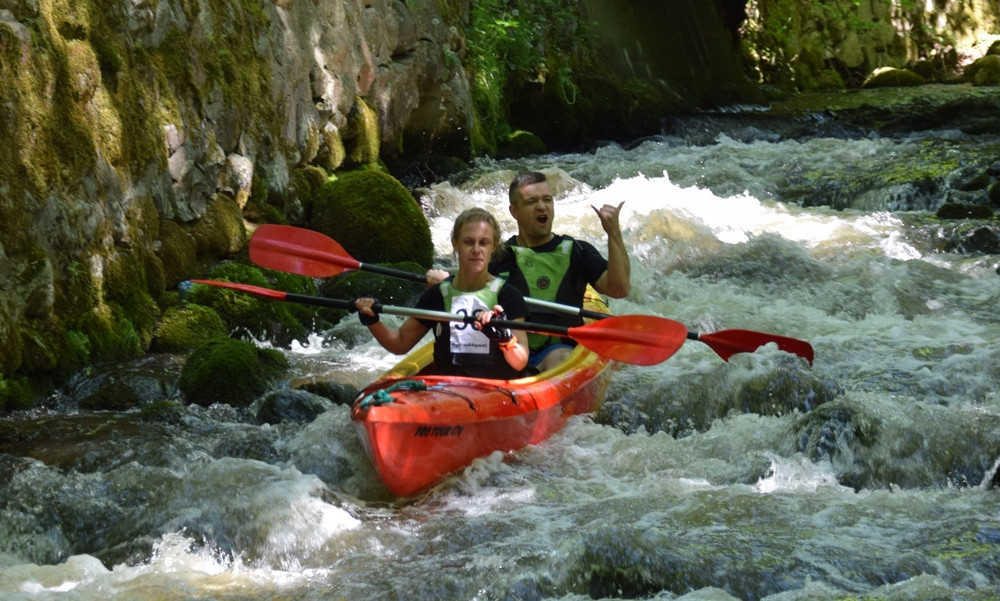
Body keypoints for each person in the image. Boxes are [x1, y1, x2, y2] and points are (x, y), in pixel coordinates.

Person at [428, 171, 631, 372]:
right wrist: (443, 283)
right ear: (514, 211)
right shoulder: (498, 255)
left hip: (558, 352)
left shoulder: (577, 251)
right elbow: (463, 290)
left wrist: (614, 233)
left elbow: (619, 289)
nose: (541, 206)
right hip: (507, 350)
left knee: (561, 358)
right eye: (532, 201)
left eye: (547, 200)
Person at [355, 207, 530, 379]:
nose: (476, 249)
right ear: (455, 243)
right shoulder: (438, 294)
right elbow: (400, 343)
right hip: (446, 390)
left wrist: (506, 340)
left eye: (483, 242)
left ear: (494, 246)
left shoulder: (508, 295)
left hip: (493, 391)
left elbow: (520, 362)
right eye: (468, 242)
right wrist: (372, 320)